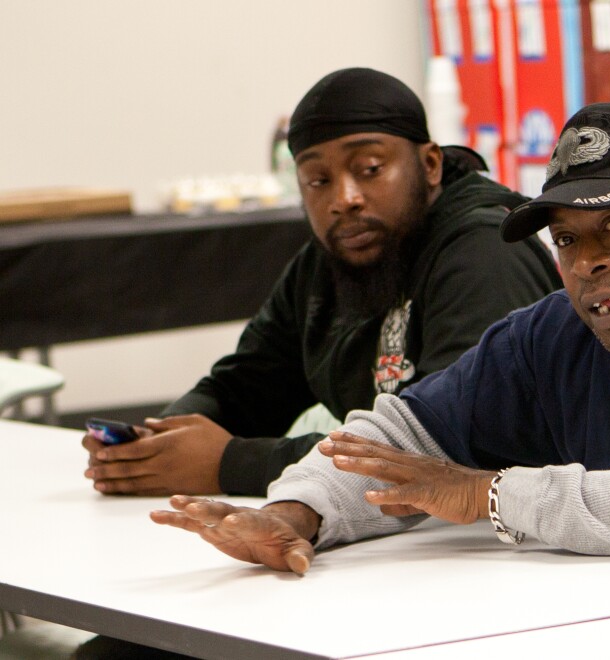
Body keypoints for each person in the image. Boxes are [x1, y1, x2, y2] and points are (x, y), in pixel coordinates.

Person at [151, 99, 610, 575]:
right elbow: (397, 439)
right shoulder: (555, 333)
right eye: (567, 239)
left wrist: (492, 495)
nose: (587, 260)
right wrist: (293, 514)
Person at [81, 68, 562, 497]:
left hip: (507, 545)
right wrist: (158, 442)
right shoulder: (332, 259)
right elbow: (248, 384)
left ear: (430, 164)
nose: (344, 199)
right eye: (318, 180)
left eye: (369, 170)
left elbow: (448, 448)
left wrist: (231, 466)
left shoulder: (484, 252)